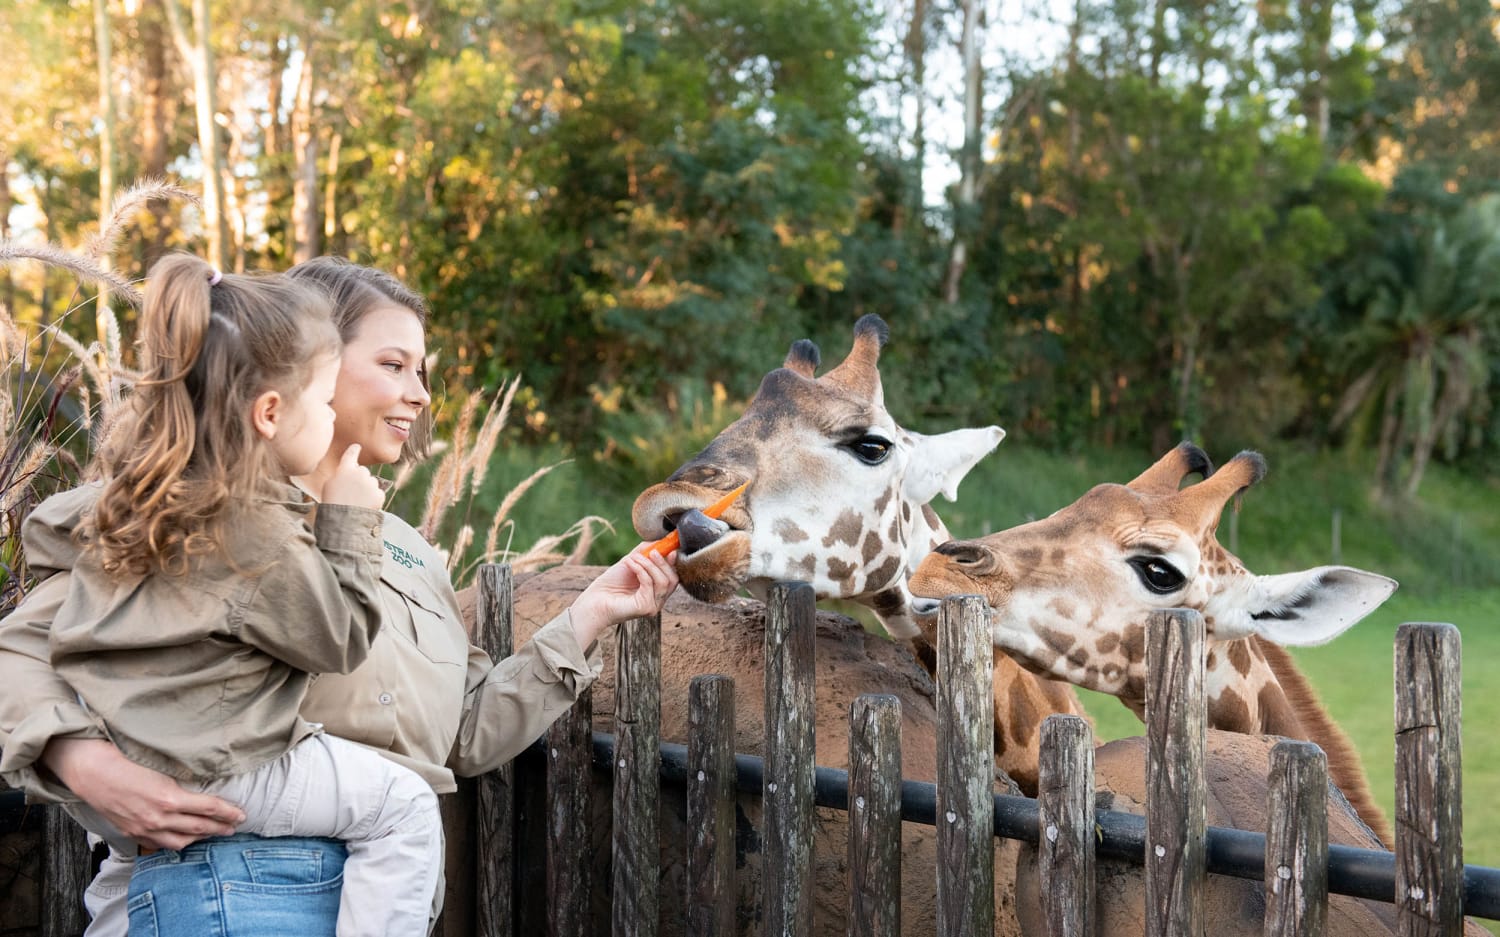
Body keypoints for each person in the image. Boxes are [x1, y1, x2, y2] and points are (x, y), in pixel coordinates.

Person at [0, 256, 680, 935]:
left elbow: (461, 735)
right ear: (303, 365)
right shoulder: (196, 509)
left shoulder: (408, 549)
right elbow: (21, 652)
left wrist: (591, 611)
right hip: (222, 885)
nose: (419, 393)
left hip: (369, 899)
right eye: (393, 364)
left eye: (422, 370)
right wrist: (86, 764)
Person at [26, 253, 447, 936]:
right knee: (404, 806)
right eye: (391, 364)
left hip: (143, 789)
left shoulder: (147, 506)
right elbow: (337, 636)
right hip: (219, 775)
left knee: (123, 872)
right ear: (273, 409)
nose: (420, 393)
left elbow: (52, 534)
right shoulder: (262, 528)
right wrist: (350, 523)